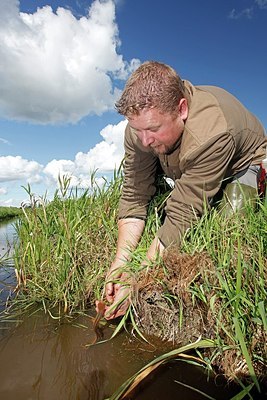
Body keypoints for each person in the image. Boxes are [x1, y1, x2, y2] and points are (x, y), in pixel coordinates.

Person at [100, 61, 267, 320]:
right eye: (137, 130)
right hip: (189, 161)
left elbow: (182, 214)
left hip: (242, 164)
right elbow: (134, 193)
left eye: (153, 129)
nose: (145, 140)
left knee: (230, 229)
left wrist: (136, 280)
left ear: (182, 109)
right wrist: (120, 263)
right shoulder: (141, 131)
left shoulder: (213, 131)